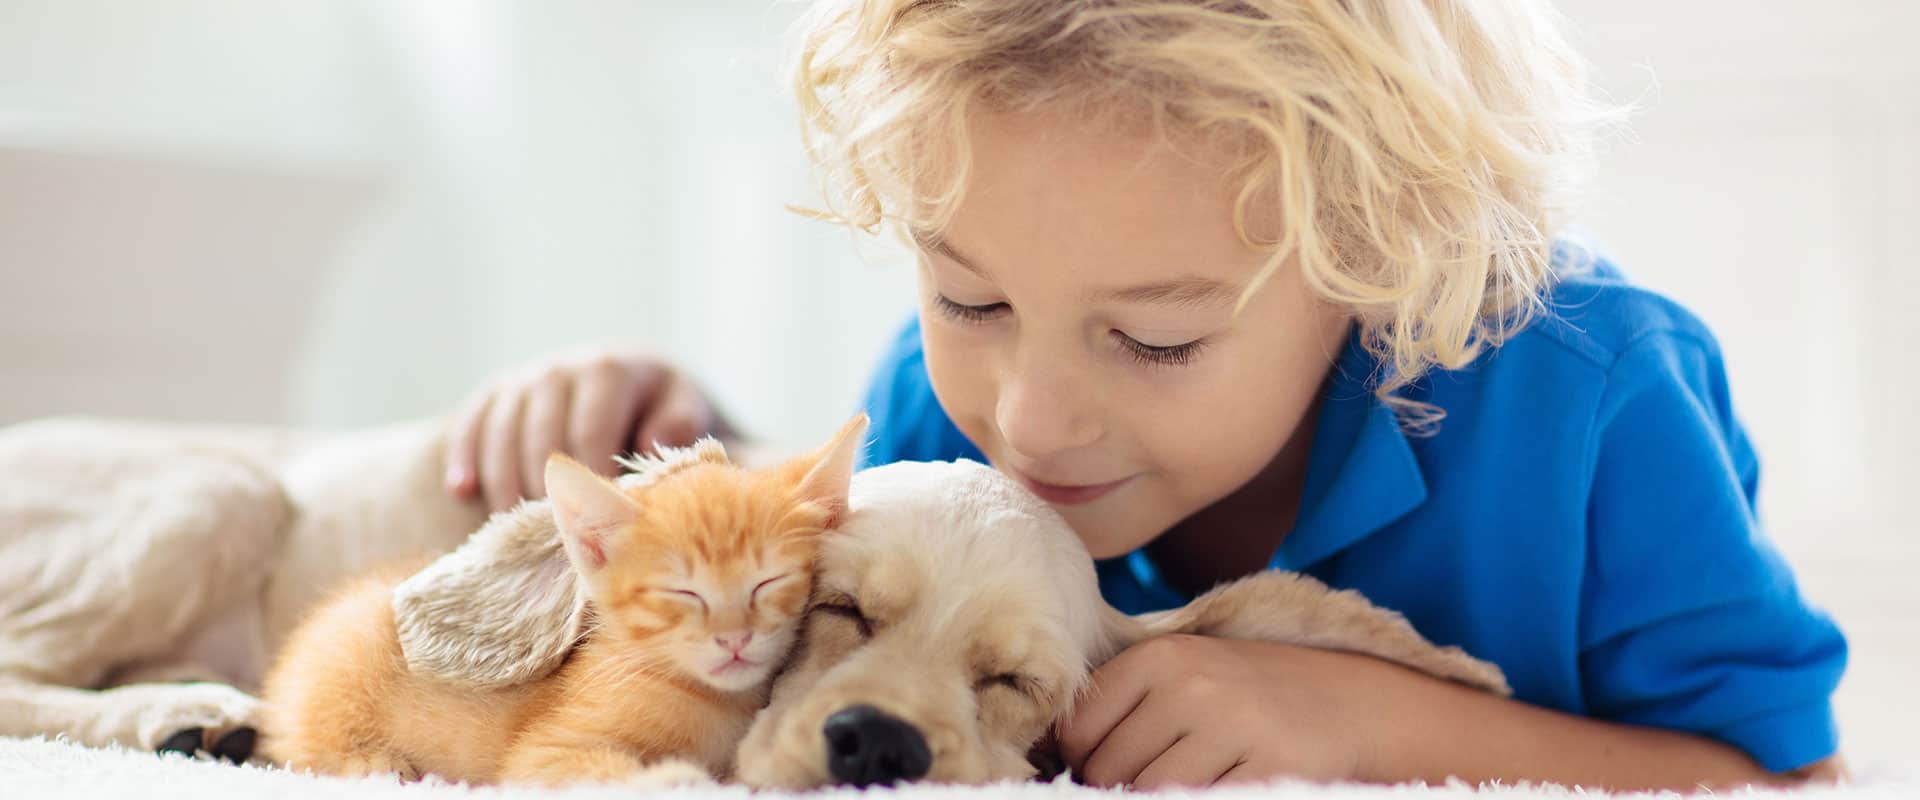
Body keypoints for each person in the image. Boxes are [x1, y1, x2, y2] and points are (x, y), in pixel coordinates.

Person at [441, 0, 1845, 791]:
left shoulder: (1598, 401)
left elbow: (1785, 781)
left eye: (1157, 340)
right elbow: (844, 601)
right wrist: (677, 433)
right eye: (970, 301)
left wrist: (1360, 720)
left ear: (1372, 266)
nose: (1030, 418)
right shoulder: (962, 419)